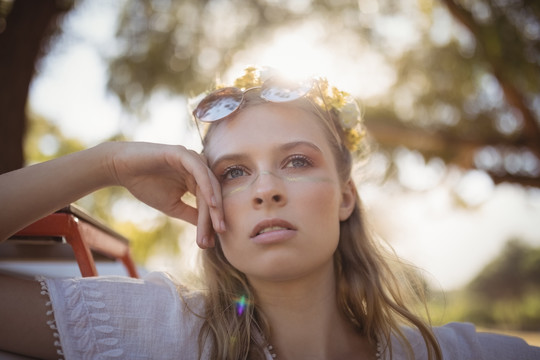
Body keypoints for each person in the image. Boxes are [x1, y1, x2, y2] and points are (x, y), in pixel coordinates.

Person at [0, 67, 538, 360]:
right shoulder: (151, 334)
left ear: (346, 196)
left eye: (297, 161)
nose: (266, 190)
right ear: (208, 199)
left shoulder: (459, 354)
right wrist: (109, 162)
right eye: (233, 172)